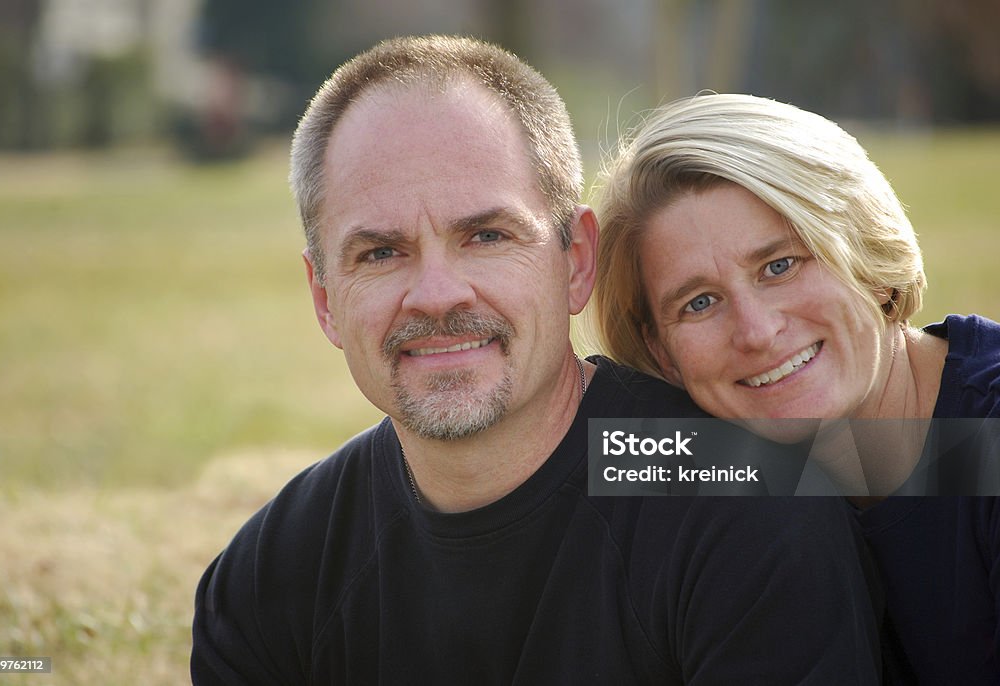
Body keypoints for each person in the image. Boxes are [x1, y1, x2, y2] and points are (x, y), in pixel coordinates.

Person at [192, 39, 883, 684]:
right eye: (380, 253)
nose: (437, 295)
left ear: (575, 262)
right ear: (323, 299)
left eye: (487, 235)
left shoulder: (744, 511)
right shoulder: (270, 578)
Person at [592, 92, 1000, 683]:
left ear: (862, 248)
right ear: (662, 353)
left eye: (780, 265)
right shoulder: (699, 460)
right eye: (699, 302)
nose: (757, 332)